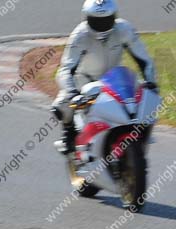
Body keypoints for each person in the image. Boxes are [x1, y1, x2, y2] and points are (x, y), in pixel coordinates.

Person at [52, 0, 157, 154]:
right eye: (96, 20)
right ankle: (69, 133)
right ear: (86, 18)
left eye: (106, 19)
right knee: (61, 105)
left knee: (147, 100)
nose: (101, 24)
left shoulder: (124, 29)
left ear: (114, 16)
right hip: (85, 80)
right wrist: (72, 92)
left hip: (115, 78)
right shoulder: (80, 36)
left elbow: (144, 59)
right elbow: (66, 69)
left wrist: (151, 82)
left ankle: (140, 135)